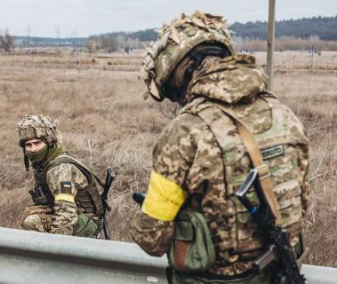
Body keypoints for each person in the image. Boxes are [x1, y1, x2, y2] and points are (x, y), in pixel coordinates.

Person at [131, 10, 310, 284]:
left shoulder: (185, 132)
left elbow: (150, 238)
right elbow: (300, 202)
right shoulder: (284, 116)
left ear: (182, 70)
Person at [17, 114, 104, 238]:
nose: (33, 149)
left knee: (32, 222)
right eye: (28, 145)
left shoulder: (60, 170)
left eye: (37, 143)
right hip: (77, 215)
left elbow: (66, 214)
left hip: (86, 222)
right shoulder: (45, 162)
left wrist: (58, 247)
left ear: (49, 143)